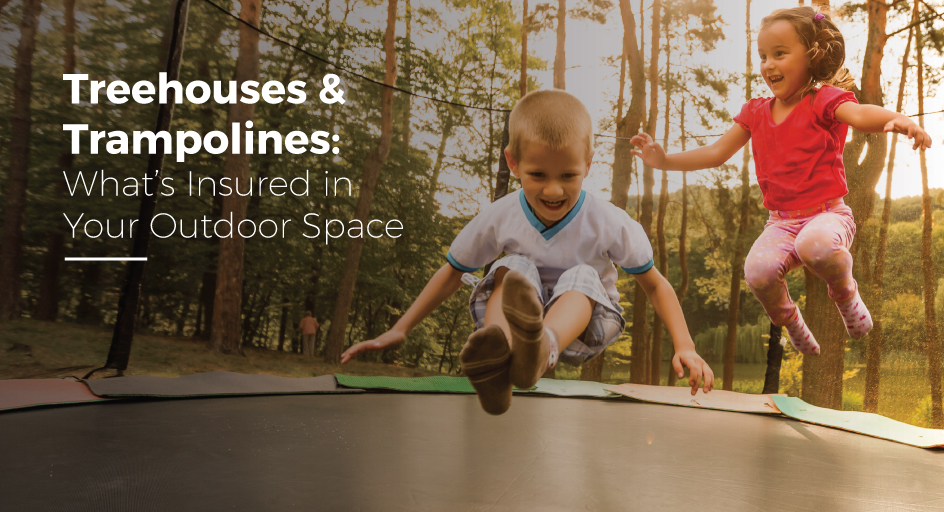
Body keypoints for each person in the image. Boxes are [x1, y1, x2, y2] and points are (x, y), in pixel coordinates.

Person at [341, 90, 714, 415]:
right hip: (521, 316)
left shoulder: (607, 220)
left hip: (587, 325)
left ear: (587, 163)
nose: (553, 191)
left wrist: (685, 346)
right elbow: (452, 273)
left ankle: (541, 348)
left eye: (568, 175)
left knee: (582, 274)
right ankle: (502, 360)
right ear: (513, 163)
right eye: (538, 175)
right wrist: (400, 329)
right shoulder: (499, 216)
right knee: (512, 267)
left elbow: (655, 285)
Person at [630, 7, 932, 356]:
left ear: (812, 54)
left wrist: (897, 120)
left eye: (780, 53)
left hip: (827, 215)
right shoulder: (756, 112)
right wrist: (664, 161)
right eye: (763, 56)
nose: (768, 65)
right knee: (758, 272)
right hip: (781, 223)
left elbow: (861, 113)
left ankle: (846, 293)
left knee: (815, 246)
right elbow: (716, 153)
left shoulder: (824, 101)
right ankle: (791, 321)